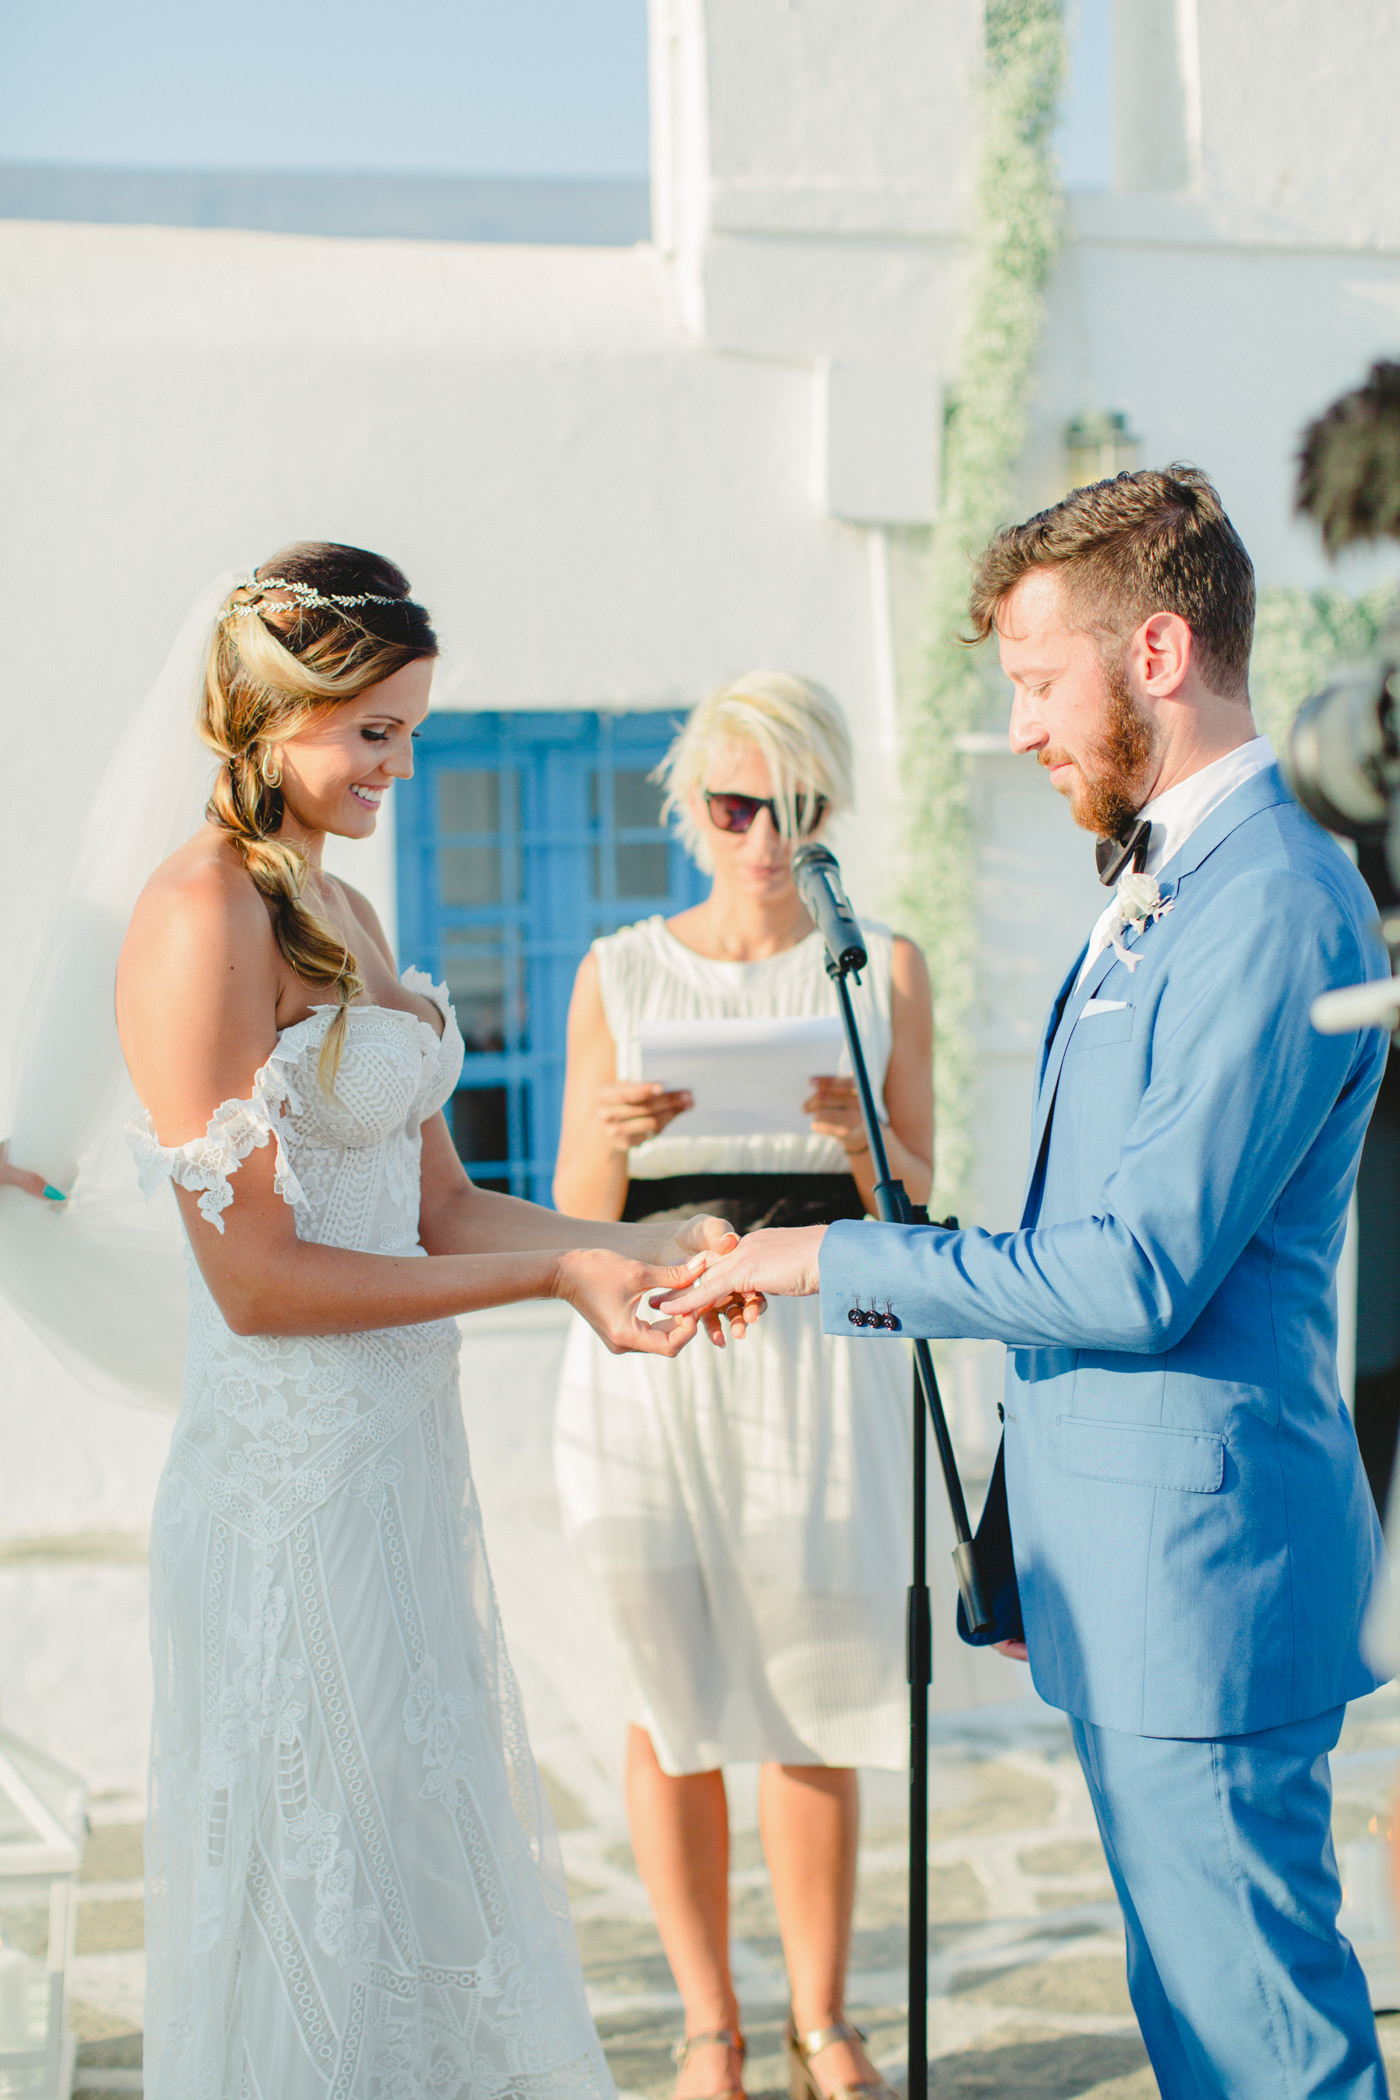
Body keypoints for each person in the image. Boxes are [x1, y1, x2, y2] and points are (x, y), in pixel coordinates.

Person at [660, 471, 1393, 2099]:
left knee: (1269, 2051)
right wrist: (1025, 1542)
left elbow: (1137, 1274)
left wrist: (824, 1256)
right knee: (1198, 2031)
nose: (1019, 729)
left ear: (1158, 652)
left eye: (1038, 683)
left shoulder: (1272, 898)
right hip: (1132, 1567)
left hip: (1207, 1583)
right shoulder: (1173, 882)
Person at [101, 546, 754, 2100]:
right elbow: (257, 1283)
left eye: (413, 730)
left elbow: (441, 1210)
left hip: (398, 1475)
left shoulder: (341, 905)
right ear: (269, 718)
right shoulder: (200, 915)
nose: (400, 766)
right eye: (374, 733)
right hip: (288, 1490)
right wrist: (556, 1283)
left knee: (412, 1855)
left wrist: (634, 1241)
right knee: (316, 1878)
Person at [552, 673, 1014, 2100]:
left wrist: (864, 1138)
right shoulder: (617, 971)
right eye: (739, 804)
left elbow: (920, 1197)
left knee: (821, 1690)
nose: (767, 835)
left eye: (799, 806)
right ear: (691, 808)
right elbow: (573, 1213)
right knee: (669, 1689)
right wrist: (616, 1135)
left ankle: (822, 2020)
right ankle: (712, 2027)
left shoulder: (884, 968)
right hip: (663, 1351)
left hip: (821, 1355)